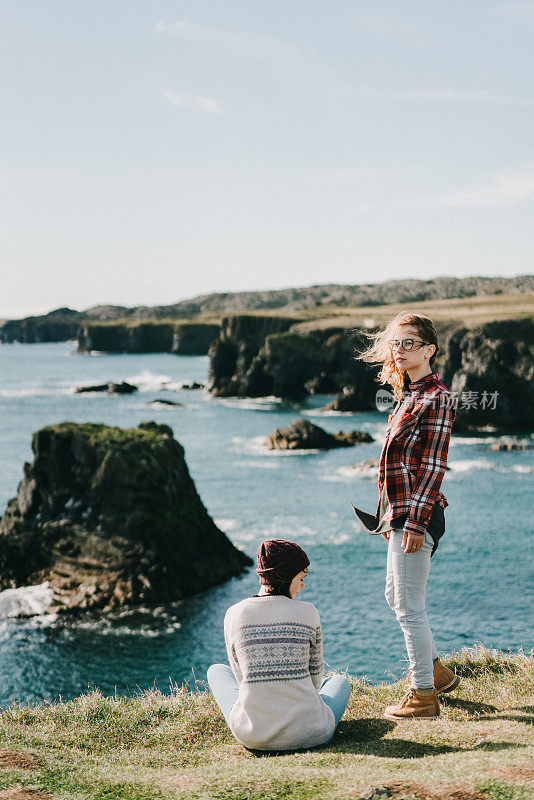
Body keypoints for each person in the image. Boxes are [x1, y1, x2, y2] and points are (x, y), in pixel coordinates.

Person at [352, 312, 461, 720]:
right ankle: (438, 673)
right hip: (401, 514)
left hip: (420, 515)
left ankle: (423, 695)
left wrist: (413, 522)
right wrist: (390, 517)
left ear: (430, 349)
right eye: (396, 343)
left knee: (409, 607)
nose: (399, 350)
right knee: (394, 596)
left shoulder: (436, 398)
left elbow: (433, 467)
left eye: (409, 343)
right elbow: (400, 466)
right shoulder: (409, 395)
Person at [207, 539, 351, 751]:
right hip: (312, 733)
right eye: (301, 578)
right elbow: (314, 682)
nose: (303, 585)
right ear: (286, 576)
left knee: (216, 670)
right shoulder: (308, 612)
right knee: (339, 682)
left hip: (255, 736)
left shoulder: (234, 614)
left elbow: (241, 678)